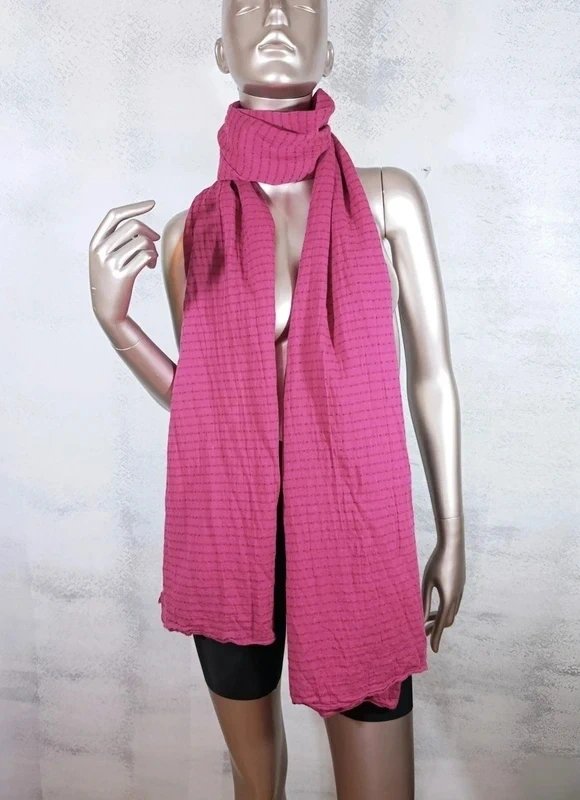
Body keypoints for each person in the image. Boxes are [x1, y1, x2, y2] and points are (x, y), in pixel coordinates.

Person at [88, 2, 465, 798]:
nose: (275, 14)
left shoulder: (388, 200)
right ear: (219, 52)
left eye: (304, 3)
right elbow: (204, 408)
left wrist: (451, 530)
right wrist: (116, 322)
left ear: (328, 57)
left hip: (356, 531)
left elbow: (431, 374)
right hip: (229, 534)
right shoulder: (193, 233)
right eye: (247, 2)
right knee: (258, 787)